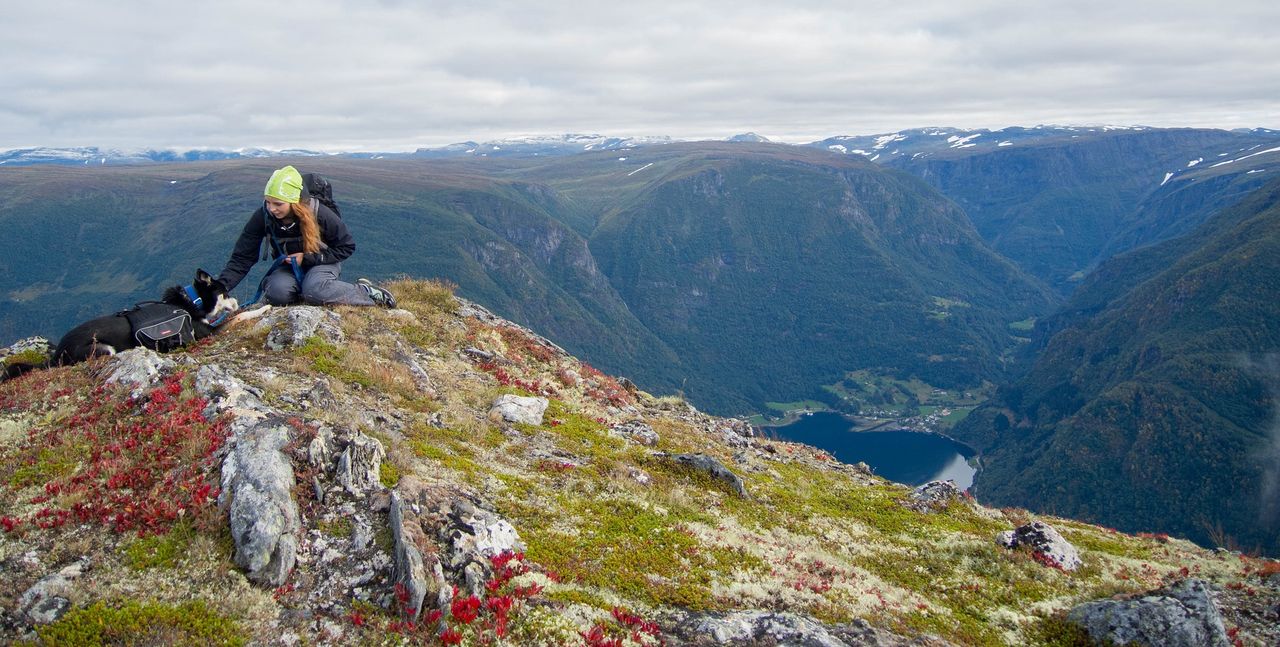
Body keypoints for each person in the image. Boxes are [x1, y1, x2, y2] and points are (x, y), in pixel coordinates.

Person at [217, 165, 396, 308]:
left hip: (323, 262)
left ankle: (364, 291)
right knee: (277, 292)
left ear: (295, 202)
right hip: (289, 267)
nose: (271, 208)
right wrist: (220, 288)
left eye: (278, 203)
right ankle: (305, 293)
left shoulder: (320, 214)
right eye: (268, 201)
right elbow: (242, 257)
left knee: (315, 290)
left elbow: (347, 246)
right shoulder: (263, 216)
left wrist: (308, 258)